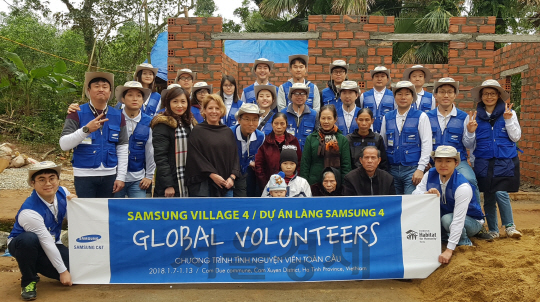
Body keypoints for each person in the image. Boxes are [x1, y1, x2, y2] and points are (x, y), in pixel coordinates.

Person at [8, 161, 76, 300]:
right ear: (32, 183)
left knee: (76, 273)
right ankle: (29, 280)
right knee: (29, 239)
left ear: (58, 180)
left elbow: (75, 220)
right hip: (24, 245)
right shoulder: (29, 211)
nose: (48, 184)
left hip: (52, 242)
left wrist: (76, 204)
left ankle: (34, 263)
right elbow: (45, 241)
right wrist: (62, 271)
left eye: (52, 178)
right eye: (41, 180)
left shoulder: (63, 192)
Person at [59, 72, 128, 198]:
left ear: (110, 92)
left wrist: (121, 177)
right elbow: (64, 144)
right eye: (96, 86)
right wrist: (86, 130)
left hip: (110, 174)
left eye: (105, 86)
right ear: (89, 91)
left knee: (105, 214)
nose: (101, 89)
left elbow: (122, 148)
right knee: (87, 214)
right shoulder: (76, 112)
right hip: (84, 175)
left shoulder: (118, 115)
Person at [412, 146, 485, 264]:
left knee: (447, 219)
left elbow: (458, 220)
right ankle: (447, 235)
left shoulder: (462, 186)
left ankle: (465, 243)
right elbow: (414, 194)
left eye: (448, 161)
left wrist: (449, 250)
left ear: (456, 163)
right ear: (434, 162)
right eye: (439, 160)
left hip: (470, 221)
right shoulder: (430, 174)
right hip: (446, 219)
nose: (443, 165)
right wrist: (426, 193)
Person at [470, 79, 523, 239]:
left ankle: (509, 227)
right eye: (486, 94)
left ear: (499, 95)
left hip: (504, 160)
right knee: (488, 195)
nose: (489, 97)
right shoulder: (474, 116)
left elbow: (515, 137)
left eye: (493, 93)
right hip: (483, 161)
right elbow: (471, 144)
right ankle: (493, 229)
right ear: (481, 97)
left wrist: (507, 120)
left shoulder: (510, 113)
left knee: (501, 192)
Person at [427, 77, 480, 203]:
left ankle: (477, 216)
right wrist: (425, 162)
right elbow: (423, 142)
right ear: (435, 95)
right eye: (442, 92)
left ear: (455, 95)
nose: (446, 95)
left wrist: (471, 132)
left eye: (450, 92)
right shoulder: (427, 117)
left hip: (458, 162)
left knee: (470, 179)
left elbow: (468, 144)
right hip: (435, 162)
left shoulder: (464, 117)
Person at [380, 81, 432, 195]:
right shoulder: (387, 117)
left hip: (412, 169)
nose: (403, 97)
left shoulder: (421, 117)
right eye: (399, 94)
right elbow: (382, 143)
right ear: (394, 97)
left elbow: (427, 144)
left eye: (407, 94)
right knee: (395, 203)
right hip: (392, 169)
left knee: (410, 203)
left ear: (412, 97)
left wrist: (420, 169)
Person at [185, 94, 241, 197]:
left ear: (221, 111)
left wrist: (232, 177)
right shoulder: (197, 131)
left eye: (217, 108)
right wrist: (212, 175)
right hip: (204, 185)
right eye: (210, 108)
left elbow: (234, 158)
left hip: (226, 184)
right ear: (204, 111)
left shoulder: (227, 132)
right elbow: (196, 158)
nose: (214, 111)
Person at [112, 81, 155, 198]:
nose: (134, 99)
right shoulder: (113, 118)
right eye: (130, 95)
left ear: (143, 100)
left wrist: (149, 176)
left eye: (139, 96)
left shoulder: (149, 121)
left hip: (138, 178)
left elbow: (150, 150)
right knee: (116, 212)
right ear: (123, 99)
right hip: (115, 177)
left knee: (139, 213)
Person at [151, 86, 196, 197]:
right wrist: (168, 185)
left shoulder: (189, 124)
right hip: (170, 182)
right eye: (175, 101)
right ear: (168, 103)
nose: (179, 105)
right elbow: (161, 158)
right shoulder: (162, 125)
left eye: (183, 102)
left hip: (188, 178)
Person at [300, 105, 352, 185]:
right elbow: (305, 165)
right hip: (314, 184)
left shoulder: (342, 140)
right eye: (323, 118)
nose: (326, 121)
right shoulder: (311, 139)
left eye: (329, 118)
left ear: (335, 119)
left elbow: (346, 166)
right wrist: (304, 185)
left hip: (335, 185)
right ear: (319, 119)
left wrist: (344, 186)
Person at [254, 112, 302, 191]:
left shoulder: (293, 140)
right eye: (276, 123)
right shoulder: (265, 141)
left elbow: (299, 163)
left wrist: (294, 181)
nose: (279, 127)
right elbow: (259, 166)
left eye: (282, 124)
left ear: (286, 125)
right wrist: (266, 184)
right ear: (272, 124)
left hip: (291, 183)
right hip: (269, 184)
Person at [231, 103, 265, 197]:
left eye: (255, 119)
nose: (251, 123)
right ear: (239, 120)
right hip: (227, 173)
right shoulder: (229, 133)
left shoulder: (260, 137)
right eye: (247, 119)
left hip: (242, 174)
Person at [280, 82, 318, 150]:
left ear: (307, 96)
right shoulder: (283, 114)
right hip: (287, 154)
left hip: (307, 154)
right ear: (291, 96)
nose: (299, 97)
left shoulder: (314, 115)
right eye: (296, 94)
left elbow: (317, 138)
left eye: (303, 94)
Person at [360, 66, 395, 133]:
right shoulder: (364, 96)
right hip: (368, 133)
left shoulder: (393, 96)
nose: (379, 79)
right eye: (377, 76)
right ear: (372, 79)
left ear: (387, 79)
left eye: (382, 76)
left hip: (387, 132)